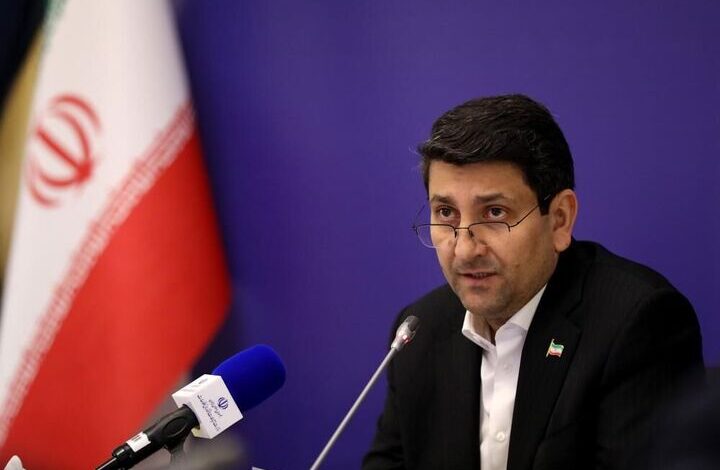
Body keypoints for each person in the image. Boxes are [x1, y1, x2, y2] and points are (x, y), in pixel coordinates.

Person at [362, 94, 704, 470]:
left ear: (559, 219)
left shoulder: (638, 324)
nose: (464, 249)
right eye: (445, 212)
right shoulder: (420, 334)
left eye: (495, 213)